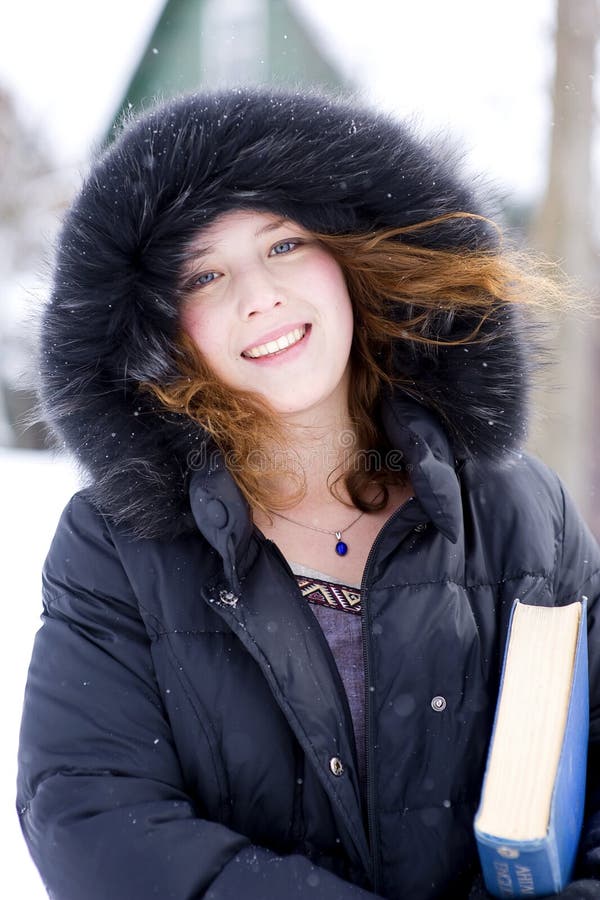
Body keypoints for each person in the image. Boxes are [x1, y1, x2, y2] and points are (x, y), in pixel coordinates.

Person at [16, 86, 600, 900]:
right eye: (204, 273)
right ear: (158, 326)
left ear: (351, 253)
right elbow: (94, 818)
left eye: (284, 246)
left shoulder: (519, 511)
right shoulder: (115, 545)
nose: (259, 296)